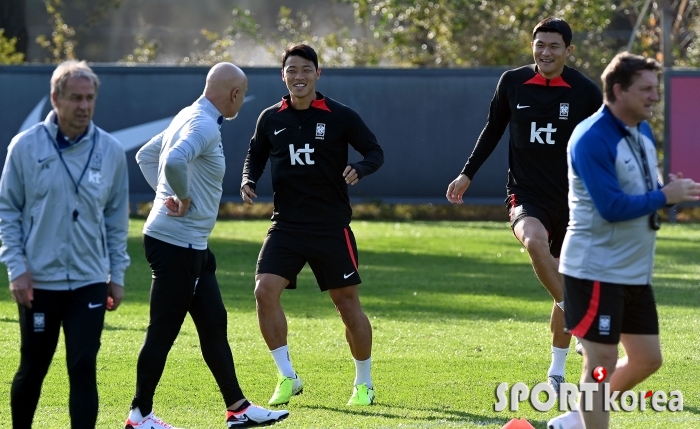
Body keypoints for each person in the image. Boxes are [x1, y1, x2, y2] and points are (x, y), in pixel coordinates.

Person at [125, 62, 289, 429]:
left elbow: (146, 157)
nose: (241, 102)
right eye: (242, 96)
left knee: (214, 323)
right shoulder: (201, 124)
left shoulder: (190, 114)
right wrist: (179, 198)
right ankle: (139, 415)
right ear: (233, 94)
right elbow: (173, 160)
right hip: (175, 244)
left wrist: (168, 198)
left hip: (192, 245)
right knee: (163, 330)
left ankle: (238, 408)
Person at [445, 17, 602, 392]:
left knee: (564, 277)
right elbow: (493, 128)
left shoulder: (585, 91)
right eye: (540, 45)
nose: (545, 52)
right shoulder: (512, 82)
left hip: (574, 200)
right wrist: (468, 173)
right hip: (525, 193)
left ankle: (557, 370)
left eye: (554, 46)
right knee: (534, 243)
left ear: (568, 50)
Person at [547, 52, 700, 429]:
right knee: (599, 366)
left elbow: (638, 192)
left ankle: (575, 421)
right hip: (596, 270)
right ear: (618, 90)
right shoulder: (591, 138)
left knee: (648, 359)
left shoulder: (642, 132)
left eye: (656, 88)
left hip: (633, 272)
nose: (655, 97)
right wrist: (666, 196)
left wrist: (664, 191)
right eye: (646, 89)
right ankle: (587, 419)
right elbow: (612, 207)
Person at [241, 44, 384, 407]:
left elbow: (374, 151)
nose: (298, 76)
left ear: (318, 74)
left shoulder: (340, 116)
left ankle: (363, 384)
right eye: (292, 70)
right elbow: (255, 154)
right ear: (283, 75)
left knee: (347, 305)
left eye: (306, 70)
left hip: (330, 227)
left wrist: (361, 168)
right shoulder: (270, 118)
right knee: (263, 292)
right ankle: (287, 376)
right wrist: (248, 179)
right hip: (286, 226)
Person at [0, 60, 130, 429]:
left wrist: (116, 275)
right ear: (55, 98)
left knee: (83, 368)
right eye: (75, 98)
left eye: (90, 98)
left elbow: (116, 221)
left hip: (89, 281)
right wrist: (17, 270)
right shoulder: (24, 147)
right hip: (38, 282)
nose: (84, 106)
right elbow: (7, 212)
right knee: (33, 367)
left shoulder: (110, 150)